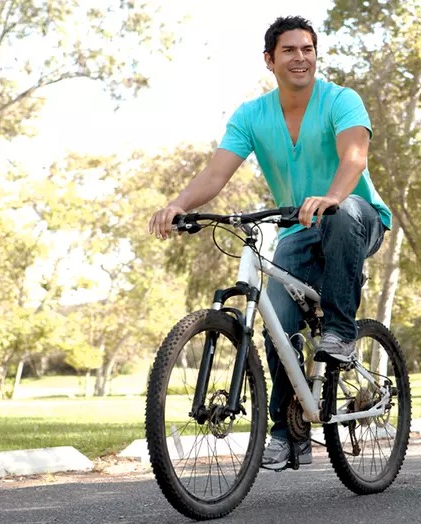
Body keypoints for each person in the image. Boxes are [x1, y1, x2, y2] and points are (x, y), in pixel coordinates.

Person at [148, 16, 391, 470]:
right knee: (277, 322)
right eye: (289, 50)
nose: (300, 57)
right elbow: (217, 173)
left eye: (308, 49)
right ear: (269, 60)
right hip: (297, 229)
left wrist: (333, 196)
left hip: (356, 217)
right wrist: (179, 203)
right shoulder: (251, 116)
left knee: (340, 217)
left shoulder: (342, 100)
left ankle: (341, 332)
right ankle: (288, 432)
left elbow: (354, 156)